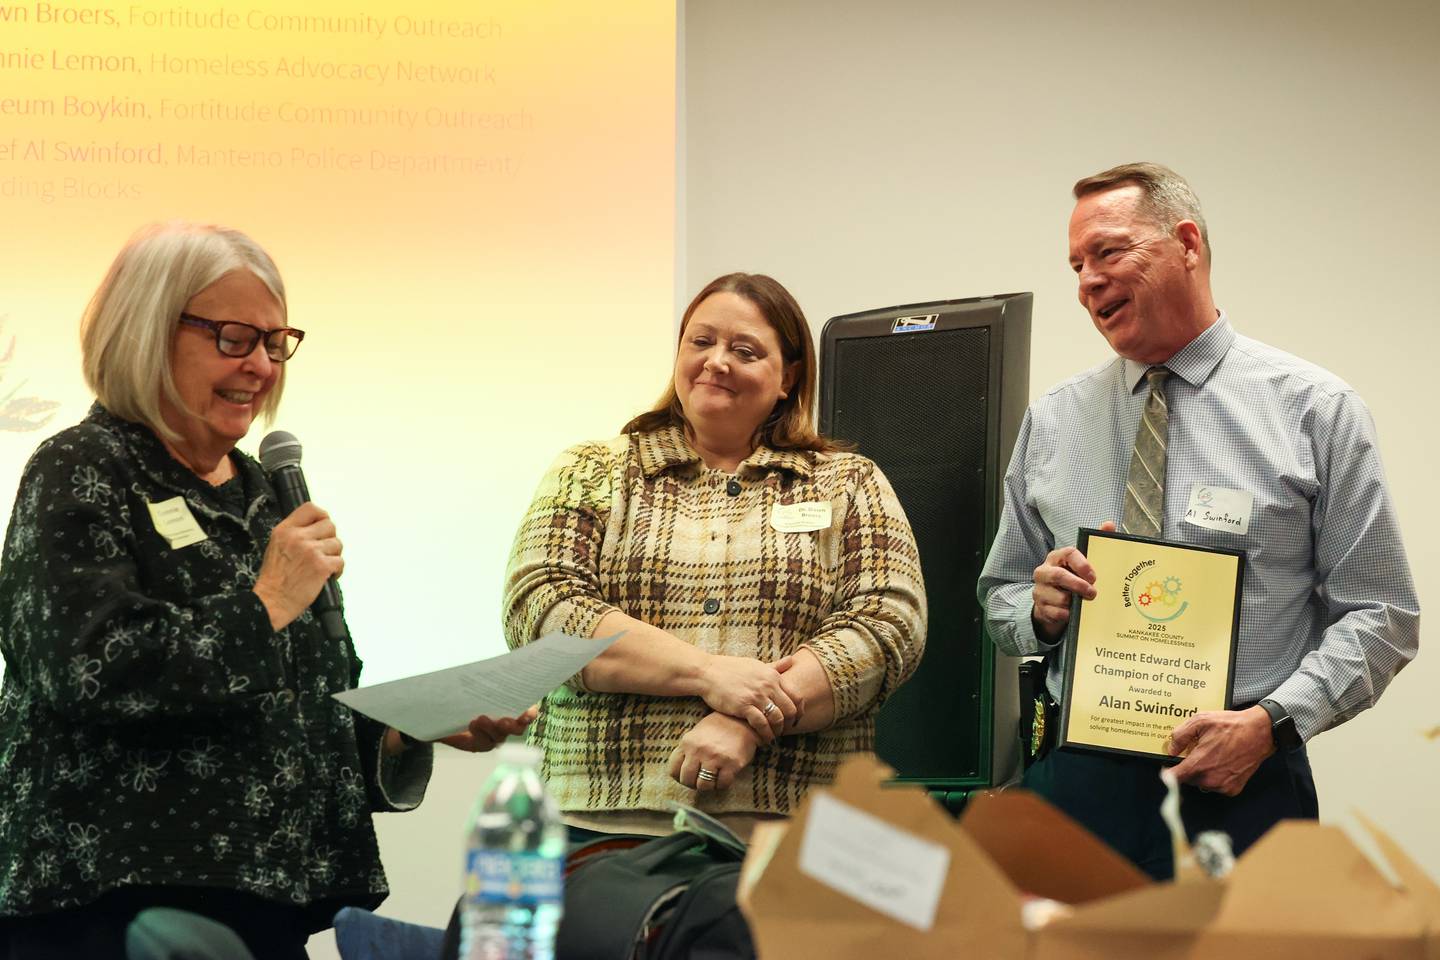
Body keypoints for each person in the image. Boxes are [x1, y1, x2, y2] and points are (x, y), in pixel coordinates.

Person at [0, 222, 531, 959]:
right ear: (148, 331)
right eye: (233, 338)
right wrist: (266, 603)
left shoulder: (262, 490)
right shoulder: (84, 468)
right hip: (112, 906)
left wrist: (416, 724)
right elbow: (86, 669)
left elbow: (296, 703)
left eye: (275, 343)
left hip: (268, 897)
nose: (260, 366)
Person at [978, 162, 1420, 879]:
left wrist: (1270, 725)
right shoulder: (1054, 421)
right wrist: (1040, 609)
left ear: (1186, 242)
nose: (1088, 280)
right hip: (1081, 782)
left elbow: (1382, 614)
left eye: (1110, 251)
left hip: (1245, 781)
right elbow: (998, 595)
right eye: (1077, 264)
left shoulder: (1316, 410)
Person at [503, 272, 927, 840]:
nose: (717, 362)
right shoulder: (592, 470)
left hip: (790, 831)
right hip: (592, 822)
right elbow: (542, 610)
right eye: (700, 342)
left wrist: (746, 722)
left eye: (745, 350)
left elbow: (889, 626)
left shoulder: (848, 483)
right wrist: (709, 675)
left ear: (788, 378)